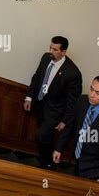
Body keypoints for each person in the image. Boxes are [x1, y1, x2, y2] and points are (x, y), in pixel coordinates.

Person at [53, 75, 99, 184]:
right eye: (91, 89)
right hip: (78, 161)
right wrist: (59, 148)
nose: (92, 95)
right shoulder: (81, 101)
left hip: (96, 170)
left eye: (98, 93)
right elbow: (70, 127)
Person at [23, 36, 82, 170]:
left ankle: (48, 162)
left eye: (55, 49)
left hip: (55, 111)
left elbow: (73, 101)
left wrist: (65, 121)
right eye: (50, 47)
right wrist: (29, 97)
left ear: (63, 52)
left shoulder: (73, 73)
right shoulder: (46, 58)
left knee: (41, 136)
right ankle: (45, 158)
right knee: (45, 136)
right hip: (40, 104)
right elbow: (37, 76)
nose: (51, 51)